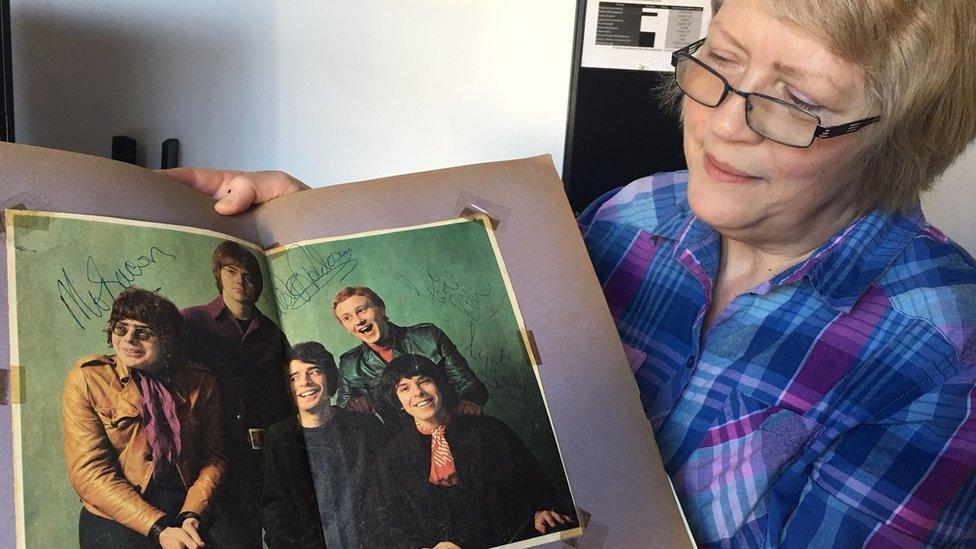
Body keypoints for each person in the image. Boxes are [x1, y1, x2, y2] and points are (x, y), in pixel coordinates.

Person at [166, 0, 976, 544]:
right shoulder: (631, 216)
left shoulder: (944, 357)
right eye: (719, 62)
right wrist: (306, 230)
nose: (727, 123)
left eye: (796, 100)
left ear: (900, 137)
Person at [62, 287, 225, 549]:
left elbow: (213, 458)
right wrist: (158, 528)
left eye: (143, 333)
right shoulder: (88, 379)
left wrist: (192, 514)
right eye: (120, 328)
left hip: (186, 502)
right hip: (116, 509)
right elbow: (90, 474)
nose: (128, 340)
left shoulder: (201, 381)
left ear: (168, 339)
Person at [362, 355, 573, 548]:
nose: (418, 392)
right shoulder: (392, 458)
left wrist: (542, 509)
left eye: (424, 380)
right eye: (404, 388)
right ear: (398, 402)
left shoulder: (489, 429)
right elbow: (381, 525)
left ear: (439, 385)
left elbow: (533, 479)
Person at [180, 240, 293, 546]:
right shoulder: (192, 321)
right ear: (219, 274)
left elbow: (286, 395)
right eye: (231, 271)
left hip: (265, 454)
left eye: (248, 275)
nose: (240, 282)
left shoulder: (272, 334)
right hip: (214, 454)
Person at [261, 342, 388, 549]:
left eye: (314, 372)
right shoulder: (279, 436)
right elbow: (276, 509)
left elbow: (388, 493)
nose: (305, 382)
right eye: (294, 378)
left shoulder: (365, 426)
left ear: (328, 376)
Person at [332, 286, 489, 431]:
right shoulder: (349, 365)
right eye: (347, 318)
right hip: (402, 446)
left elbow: (468, 384)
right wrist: (352, 406)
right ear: (345, 328)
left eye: (362, 310)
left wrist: (470, 401)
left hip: (452, 427)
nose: (358, 321)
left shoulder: (428, 337)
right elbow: (344, 412)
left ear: (381, 309)